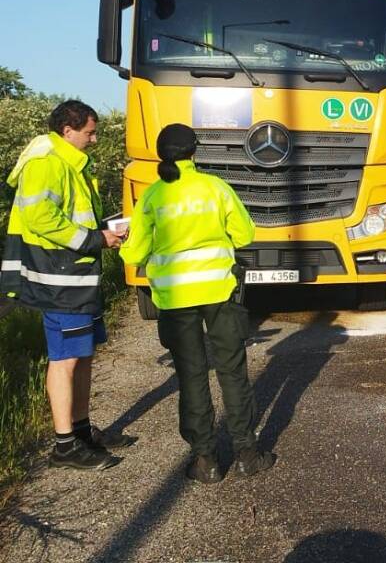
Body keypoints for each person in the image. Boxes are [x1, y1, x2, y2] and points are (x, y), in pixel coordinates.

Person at [120, 124, 275, 483]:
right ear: (195, 152)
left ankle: (205, 460)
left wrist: (124, 243)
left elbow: (134, 252)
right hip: (220, 293)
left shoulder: (154, 197)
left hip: (175, 299)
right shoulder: (215, 188)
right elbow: (245, 234)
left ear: (162, 154)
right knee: (232, 372)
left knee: (191, 377)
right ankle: (247, 454)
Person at [2, 100, 133, 470]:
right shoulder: (47, 162)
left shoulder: (68, 161)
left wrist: (103, 233)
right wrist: (95, 240)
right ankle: (64, 446)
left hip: (75, 277)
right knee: (66, 359)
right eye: (90, 132)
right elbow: (41, 217)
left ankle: (80, 430)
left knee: (84, 353)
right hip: (59, 279)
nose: (94, 139)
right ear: (67, 131)